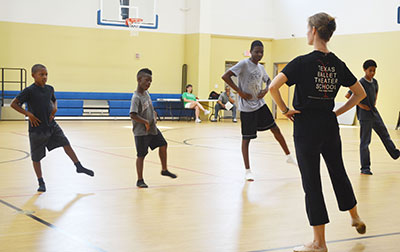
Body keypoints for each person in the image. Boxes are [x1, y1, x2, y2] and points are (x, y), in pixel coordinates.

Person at [269, 13, 367, 252]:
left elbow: (273, 87)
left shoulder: (301, 62)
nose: (305, 33)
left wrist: (284, 110)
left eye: (306, 29)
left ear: (313, 31)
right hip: (329, 125)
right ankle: (354, 216)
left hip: (306, 127)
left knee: (312, 182)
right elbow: (360, 93)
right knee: (338, 172)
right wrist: (337, 111)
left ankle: (319, 243)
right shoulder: (337, 63)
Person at [10, 64, 94, 192]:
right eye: (41, 74)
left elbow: (54, 100)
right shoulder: (29, 91)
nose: (44, 77)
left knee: (66, 143)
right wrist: (28, 114)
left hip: (51, 125)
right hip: (37, 128)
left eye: (46, 74)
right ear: (33, 76)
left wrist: (55, 107)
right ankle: (41, 181)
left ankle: (78, 166)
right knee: (36, 157)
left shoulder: (50, 89)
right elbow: (14, 104)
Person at [222, 40, 297, 182]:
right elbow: (225, 76)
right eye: (257, 51)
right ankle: (247, 170)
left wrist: (265, 91)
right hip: (246, 107)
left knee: (275, 128)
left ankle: (288, 156)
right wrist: (239, 92)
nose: (259, 54)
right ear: (250, 51)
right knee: (246, 139)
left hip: (260, 104)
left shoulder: (261, 68)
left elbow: (270, 81)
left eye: (262, 52)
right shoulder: (244, 64)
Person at [345, 60, 400, 175]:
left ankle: (395, 153)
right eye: (370, 70)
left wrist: (374, 102)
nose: (372, 73)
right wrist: (360, 105)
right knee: (365, 141)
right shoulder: (360, 83)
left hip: (374, 113)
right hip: (364, 115)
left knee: (385, 134)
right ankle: (365, 168)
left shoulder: (375, 82)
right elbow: (348, 95)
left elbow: (376, 92)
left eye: (374, 70)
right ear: (364, 70)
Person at [130, 68, 177, 188]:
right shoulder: (136, 97)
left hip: (152, 129)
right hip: (141, 132)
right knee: (141, 155)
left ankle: (164, 169)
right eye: (146, 80)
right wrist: (145, 121)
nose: (148, 83)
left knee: (163, 144)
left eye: (150, 81)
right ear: (139, 80)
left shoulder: (146, 93)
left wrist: (153, 113)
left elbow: (148, 107)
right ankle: (140, 180)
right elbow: (133, 114)